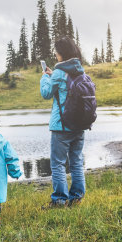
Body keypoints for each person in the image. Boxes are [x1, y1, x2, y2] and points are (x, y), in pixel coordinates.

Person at [40, 36, 86, 208]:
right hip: (79, 124)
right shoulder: (80, 70)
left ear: (62, 53)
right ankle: (76, 197)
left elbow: (46, 93)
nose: (55, 53)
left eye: (56, 51)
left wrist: (45, 77)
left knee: (58, 163)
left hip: (62, 126)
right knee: (76, 161)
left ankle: (59, 200)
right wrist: (54, 75)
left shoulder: (59, 73)